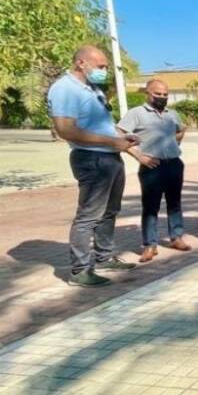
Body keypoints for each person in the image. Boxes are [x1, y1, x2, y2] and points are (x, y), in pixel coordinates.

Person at [48, 45, 140, 287]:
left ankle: (104, 257)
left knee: (110, 211)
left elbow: (101, 125)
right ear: (81, 63)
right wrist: (112, 141)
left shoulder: (91, 89)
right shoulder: (65, 89)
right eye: (101, 66)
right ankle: (80, 271)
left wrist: (124, 138)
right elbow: (66, 129)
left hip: (110, 157)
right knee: (89, 216)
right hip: (91, 159)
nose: (104, 71)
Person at [117, 78, 191, 263]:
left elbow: (179, 131)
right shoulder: (136, 114)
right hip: (152, 167)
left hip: (174, 164)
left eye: (165, 94)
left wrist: (178, 137)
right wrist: (138, 155)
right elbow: (118, 136)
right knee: (151, 207)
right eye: (157, 94)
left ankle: (176, 237)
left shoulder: (172, 114)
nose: (162, 97)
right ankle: (150, 245)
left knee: (175, 203)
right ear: (147, 93)